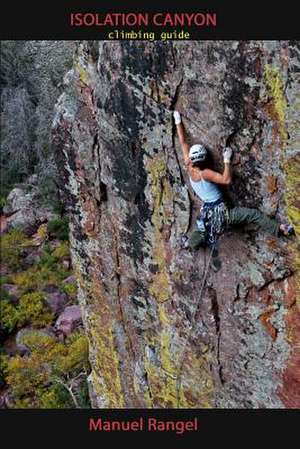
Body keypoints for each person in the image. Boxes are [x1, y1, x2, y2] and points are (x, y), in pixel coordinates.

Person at [173, 110, 294, 271]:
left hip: (208, 212)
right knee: (253, 215)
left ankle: (190, 243)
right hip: (222, 213)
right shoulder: (205, 173)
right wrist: (226, 160)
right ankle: (281, 229)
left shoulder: (188, 165)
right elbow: (226, 179)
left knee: (203, 228)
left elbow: (183, 142)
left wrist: (177, 121)